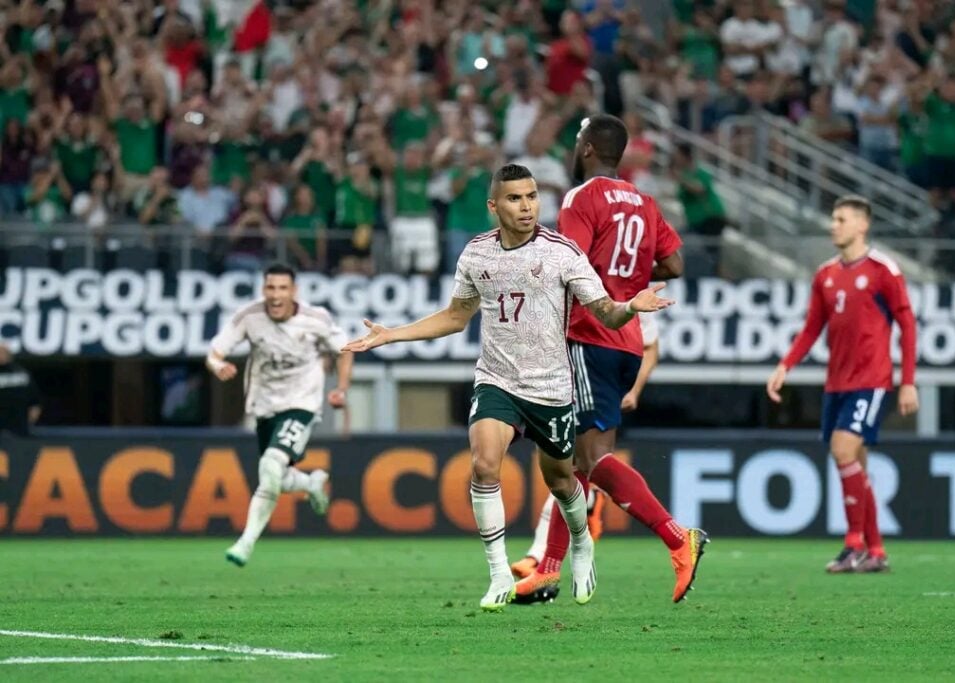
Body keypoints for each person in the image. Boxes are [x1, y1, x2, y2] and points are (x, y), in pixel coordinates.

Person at [343, 163, 674, 612]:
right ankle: (499, 572)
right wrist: (392, 334)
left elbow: (606, 314)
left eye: (532, 197)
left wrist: (630, 305)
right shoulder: (476, 254)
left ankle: (581, 544)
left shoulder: (562, 253)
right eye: (516, 198)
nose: (527, 206)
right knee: (483, 464)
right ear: (493, 205)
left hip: (551, 387)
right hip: (497, 378)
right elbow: (456, 317)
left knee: (561, 481)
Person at [513, 114, 708, 605]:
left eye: (576, 140)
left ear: (585, 149)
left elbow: (568, 262)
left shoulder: (582, 197)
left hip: (589, 335)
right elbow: (676, 264)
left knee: (588, 459)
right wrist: (632, 275)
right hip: (627, 341)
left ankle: (676, 536)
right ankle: (549, 569)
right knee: (574, 464)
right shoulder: (644, 201)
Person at [766, 195, 919, 574]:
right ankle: (877, 551)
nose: (833, 225)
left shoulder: (884, 270)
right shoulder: (826, 275)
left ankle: (853, 546)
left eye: (841, 219)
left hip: (871, 380)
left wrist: (909, 382)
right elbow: (812, 327)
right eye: (833, 219)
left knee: (842, 449)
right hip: (836, 383)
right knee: (855, 463)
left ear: (862, 225)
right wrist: (786, 364)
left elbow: (908, 325)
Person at [207, 263, 353, 567]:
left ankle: (245, 543)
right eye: (270, 288)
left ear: (294, 291)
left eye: (282, 288)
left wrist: (341, 388)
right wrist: (218, 365)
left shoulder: (316, 319)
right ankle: (310, 483)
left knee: (271, 464)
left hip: (301, 404)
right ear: (263, 290)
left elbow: (346, 348)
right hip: (263, 406)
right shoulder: (249, 316)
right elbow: (215, 351)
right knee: (275, 476)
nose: (276, 295)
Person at [514, 310, 661, 578]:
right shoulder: (575, 278)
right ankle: (588, 502)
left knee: (572, 465)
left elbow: (652, 346)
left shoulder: (628, 289)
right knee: (568, 466)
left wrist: (635, 390)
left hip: (594, 378)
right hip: (560, 375)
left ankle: (539, 558)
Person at [0, 344, 42, 436]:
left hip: (19, 429)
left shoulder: (22, 374)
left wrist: (30, 421)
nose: (1, 355)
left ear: (9, 355)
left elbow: (35, 402)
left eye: (3, 353)